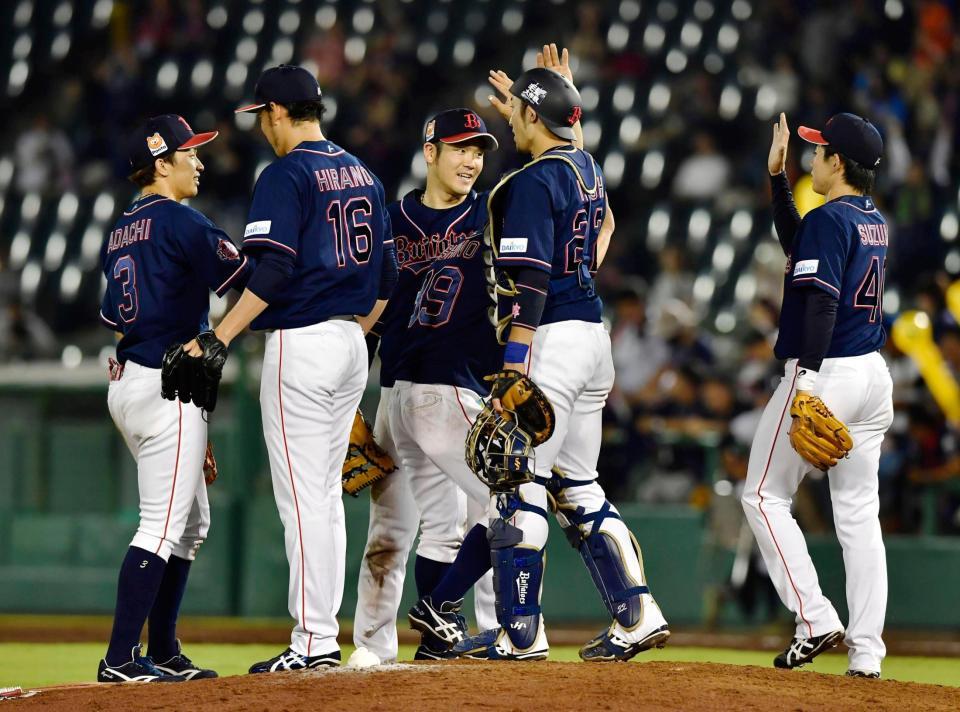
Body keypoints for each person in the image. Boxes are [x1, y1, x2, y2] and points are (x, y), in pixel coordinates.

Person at [410, 46, 669, 662]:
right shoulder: (588, 170)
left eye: (518, 114)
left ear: (530, 117)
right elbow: (595, 224)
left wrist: (516, 359)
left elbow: (527, 279)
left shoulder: (526, 184)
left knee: (514, 484)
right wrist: (560, 102)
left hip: (548, 338)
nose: (508, 123)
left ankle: (519, 633)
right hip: (593, 340)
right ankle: (638, 613)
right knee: (578, 485)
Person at [182, 64, 397, 672]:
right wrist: (354, 335)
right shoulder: (364, 173)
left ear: (276, 111)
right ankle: (321, 634)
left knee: (303, 501)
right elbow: (388, 278)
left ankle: (312, 644)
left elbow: (270, 273)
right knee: (324, 498)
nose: (262, 128)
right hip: (352, 346)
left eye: (262, 116)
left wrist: (217, 336)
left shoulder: (285, 173)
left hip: (301, 346)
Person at [97, 114, 251, 682]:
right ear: (161, 163)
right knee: (160, 528)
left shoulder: (120, 229)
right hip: (168, 387)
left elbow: (117, 322)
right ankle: (118, 659)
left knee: (190, 524)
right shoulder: (182, 222)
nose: (200, 161)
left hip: (131, 382)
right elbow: (249, 282)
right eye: (190, 153)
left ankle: (161, 648)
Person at [741, 112, 893, 678]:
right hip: (872, 377)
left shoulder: (832, 218)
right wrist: (777, 179)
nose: (812, 157)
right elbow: (800, 245)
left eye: (818, 150)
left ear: (837, 162)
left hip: (827, 373)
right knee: (858, 517)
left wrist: (804, 380)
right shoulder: (870, 217)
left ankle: (814, 617)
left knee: (761, 496)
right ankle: (868, 654)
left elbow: (822, 302)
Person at [350, 108, 500, 665]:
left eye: (479, 150)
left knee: (450, 523)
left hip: (452, 387)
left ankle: (429, 634)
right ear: (429, 150)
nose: (471, 160)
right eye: (460, 147)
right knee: (400, 528)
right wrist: (350, 397)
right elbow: (371, 313)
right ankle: (385, 642)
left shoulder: (490, 212)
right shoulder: (393, 219)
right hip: (409, 389)